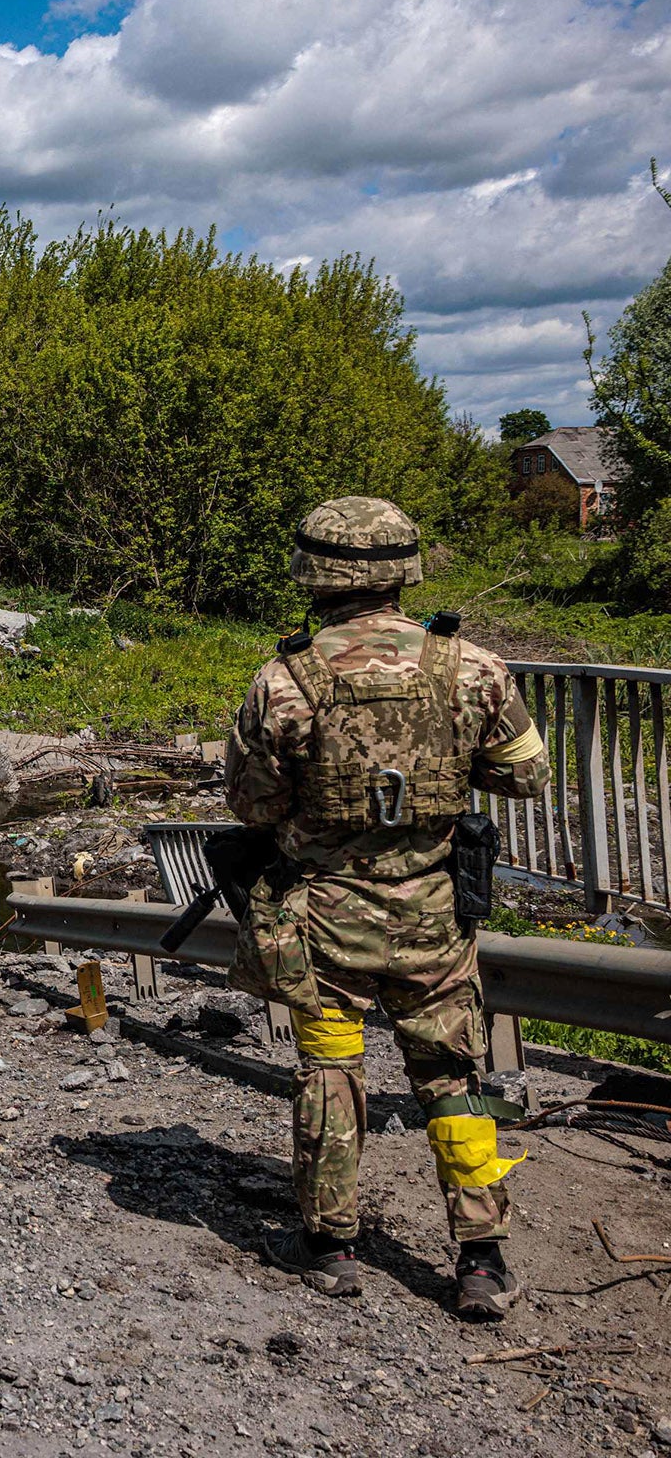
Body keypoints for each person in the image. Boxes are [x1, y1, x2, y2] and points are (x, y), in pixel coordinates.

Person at [225, 496, 550, 1320]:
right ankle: (480, 1260)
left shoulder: (284, 678)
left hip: (325, 921)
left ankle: (331, 1248)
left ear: (314, 572)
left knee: (331, 1069)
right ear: (406, 568)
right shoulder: (471, 667)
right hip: (435, 921)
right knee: (452, 1077)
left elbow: (252, 805)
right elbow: (526, 774)